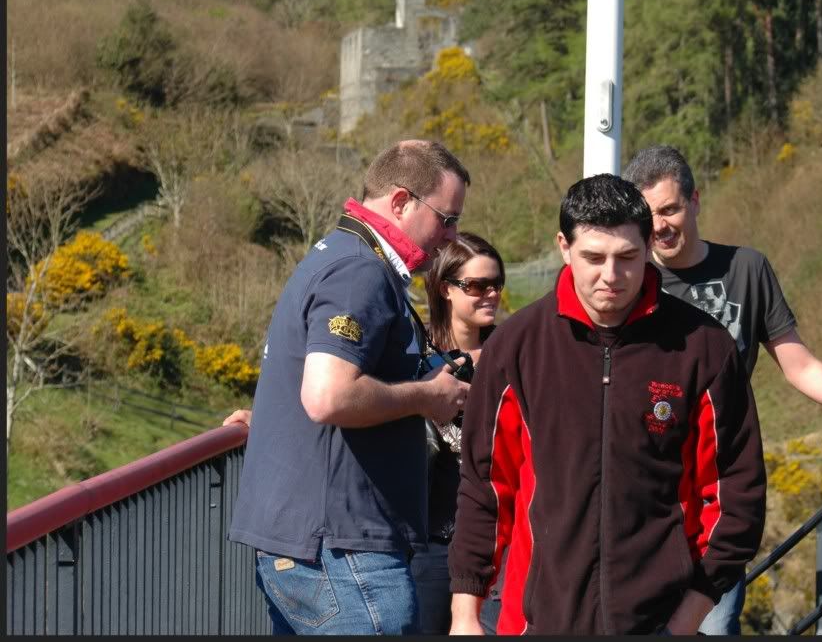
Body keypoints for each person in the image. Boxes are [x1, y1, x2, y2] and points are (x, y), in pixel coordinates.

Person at [621, 144, 822, 635]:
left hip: (718, 496)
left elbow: (799, 366)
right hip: (643, 496)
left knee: (714, 627)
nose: (660, 226)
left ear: (695, 200)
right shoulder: (630, 278)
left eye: (670, 209)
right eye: (649, 215)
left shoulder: (747, 270)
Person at [446, 174, 768, 635]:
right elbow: (485, 487)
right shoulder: (516, 347)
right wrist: (465, 614)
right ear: (564, 247)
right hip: (536, 621)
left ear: (650, 246)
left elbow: (736, 492)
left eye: (627, 257)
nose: (611, 276)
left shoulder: (704, 348)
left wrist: (686, 618)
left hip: (661, 622)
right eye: (594, 258)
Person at [226, 140, 473, 635]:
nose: (451, 236)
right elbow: (329, 396)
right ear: (401, 202)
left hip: (317, 544)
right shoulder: (360, 271)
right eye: (446, 220)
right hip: (341, 550)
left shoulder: (341, 255)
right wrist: (428, 396)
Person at [411, 232, 506, 635]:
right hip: (429, 537)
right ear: (445, 289)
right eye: (477, 286)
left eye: (497, 283)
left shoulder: (512, 351)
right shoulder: (412, 354)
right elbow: (356, 396)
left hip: (495, 538)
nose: (491, 294)